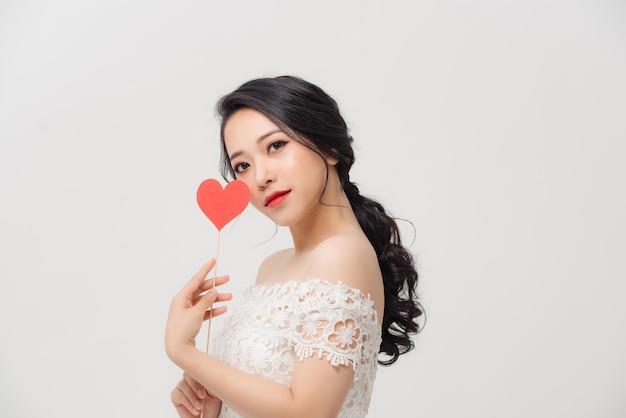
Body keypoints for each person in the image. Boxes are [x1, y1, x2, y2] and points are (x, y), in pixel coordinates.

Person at [165, 76, 424, 418]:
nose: (260, 177)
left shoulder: (341, 255)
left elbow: (308, 412)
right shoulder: (272, 266)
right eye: (243, 165)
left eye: (275, 146)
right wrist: (213, 407)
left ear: (329, 148)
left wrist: (183, 351)